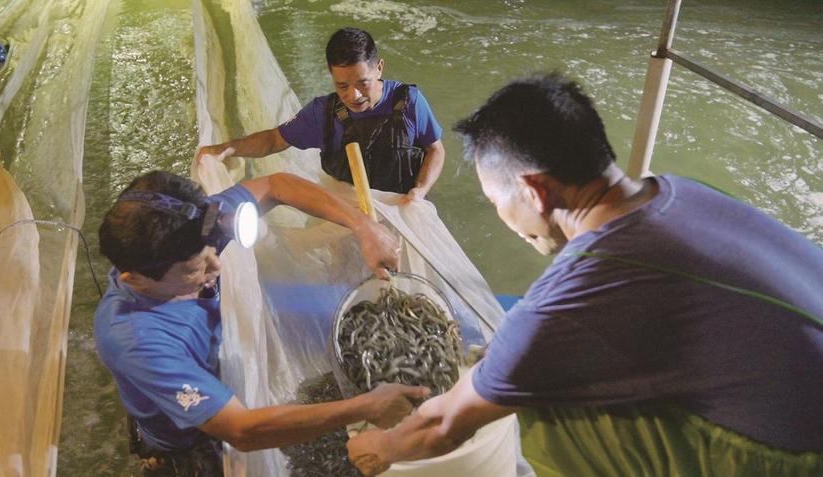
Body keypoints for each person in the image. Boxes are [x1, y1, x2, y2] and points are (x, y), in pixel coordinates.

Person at [347, 73, 823, 476]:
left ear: (533, 192)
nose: (503, 219)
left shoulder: (584, 288)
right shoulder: (683, 194)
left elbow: (443, 425)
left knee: (541, 407)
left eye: (497, 202)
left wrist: (381, 448)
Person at [94, 167, 429, 476]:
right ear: (136, 280)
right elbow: (241, 429)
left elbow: (275, 185)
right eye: (196, 268)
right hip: (185, 440)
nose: (217, 267)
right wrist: (364, 407)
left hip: (203, 361)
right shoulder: (137, 339)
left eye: (214, 251)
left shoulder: (190, 225)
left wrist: (363, 226)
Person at [198, 27, 445, 201]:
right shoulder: (322, 113)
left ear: (379, 68)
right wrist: (226, 149)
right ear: (331, 75)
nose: (354, 95)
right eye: (342, 86)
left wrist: (420, 190)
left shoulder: (408, 101)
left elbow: (435, 149)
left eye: (363, 83)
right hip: (349, 211)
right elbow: (274, 140)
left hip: (404, 205)